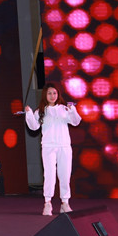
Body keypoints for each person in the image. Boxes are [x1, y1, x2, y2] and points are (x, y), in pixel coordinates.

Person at [25, 83, 82, 216]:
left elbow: (75, 122)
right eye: (49, 93)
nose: (52, 96)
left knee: (65, 174)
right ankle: (47, 203)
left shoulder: (64, 109)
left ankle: (65, 203)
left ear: (58, 94)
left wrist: (72, 110)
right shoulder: (41, 111)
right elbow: (33, 127)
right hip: (48, 147)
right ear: (45, 95)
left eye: (54, 93)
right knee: (49, 174)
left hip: (64, 146)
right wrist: (29, 114)